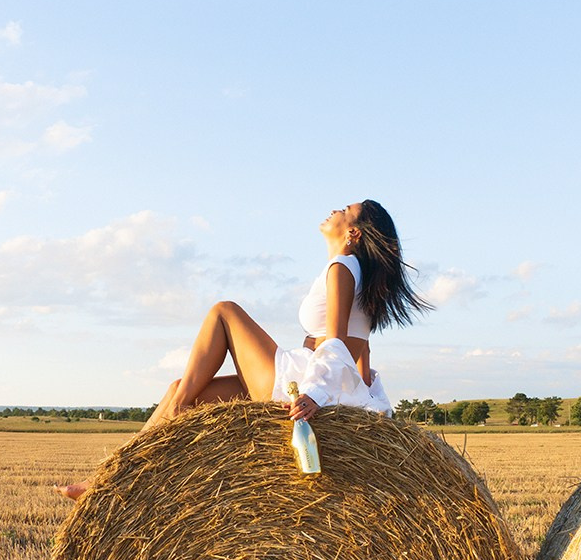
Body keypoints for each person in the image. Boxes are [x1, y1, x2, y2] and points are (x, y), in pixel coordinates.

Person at [55, 200, 430, 499]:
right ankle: (110, 482)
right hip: (319, 385)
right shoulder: (362, 277)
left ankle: (125, 465)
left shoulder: (342, 267)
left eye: (345, 210)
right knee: (177, 389)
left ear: (353, 232)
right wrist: (372, 409)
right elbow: (361, 350)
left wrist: (315, 394)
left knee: (224, 312)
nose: (334, 209)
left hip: (301, 381)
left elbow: (334, 342)